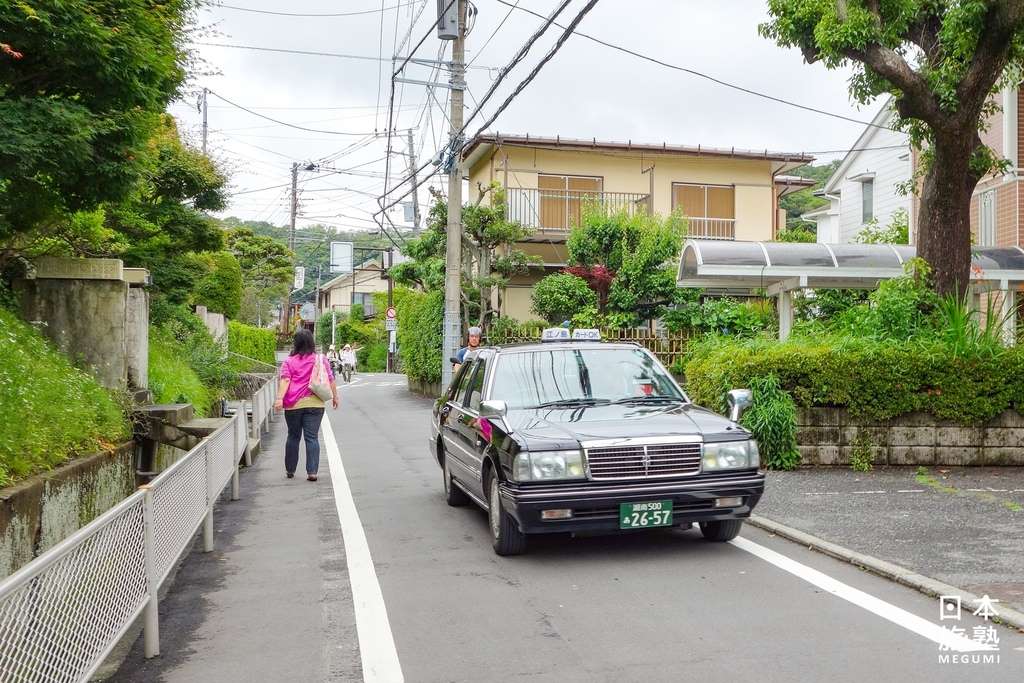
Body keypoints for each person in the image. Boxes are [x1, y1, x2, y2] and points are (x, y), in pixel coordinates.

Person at [273, 329, 338, 481]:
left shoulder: (289, 361)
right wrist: (335, 397)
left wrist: (279, 398)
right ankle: (312, 472)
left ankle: (290, 470)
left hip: (293, 404)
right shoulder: (321, 359)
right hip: (315, 404)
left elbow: (285, 380)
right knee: (312, 437)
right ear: (311, 342)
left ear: (295, 343)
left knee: (293, 436)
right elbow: (330, 379)